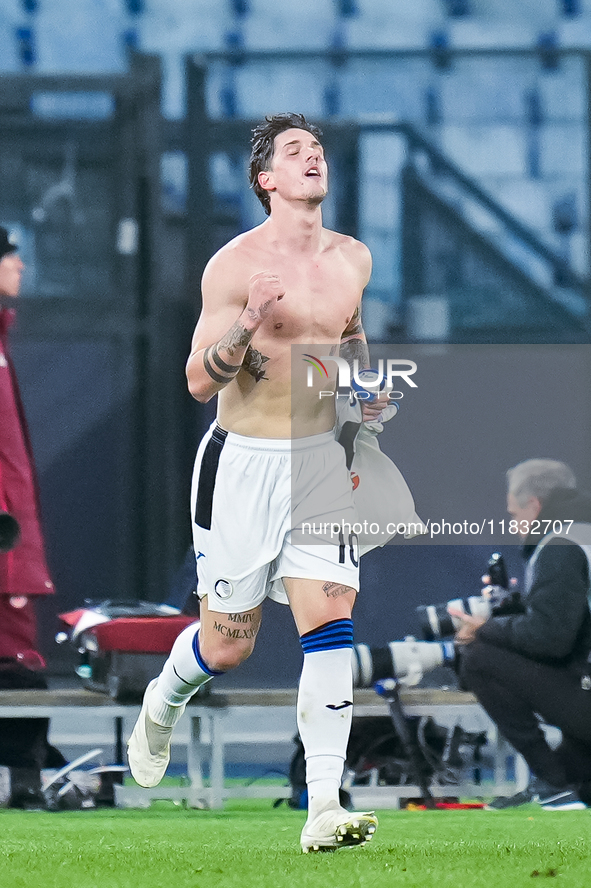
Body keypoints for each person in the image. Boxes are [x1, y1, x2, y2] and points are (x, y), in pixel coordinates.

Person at [128, 112, 387, 851]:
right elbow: (195, 381)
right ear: (266, 180)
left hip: (318, 464)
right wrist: (247, 322)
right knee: (230, 645)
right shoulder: (234, 265)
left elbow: (351, 337)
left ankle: (322, 807)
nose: (313, 158)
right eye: (294, 152)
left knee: (331, 621)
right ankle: (164, 695)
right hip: (241, 464)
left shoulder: (353, 259)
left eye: (317, 149)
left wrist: (362, 399)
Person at [452, 458, 591, 810]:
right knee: (580, 776)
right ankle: (561, 781)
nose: (513, 526)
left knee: (479, 658)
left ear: (535, 505)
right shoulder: (582, 533)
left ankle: (554, 783)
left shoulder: (560, 545)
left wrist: (487, 626)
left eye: (514, 515)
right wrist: (516, 611)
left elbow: (550, 639)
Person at [0, 226, 66, 803]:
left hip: (12, 538)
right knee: (18, 660)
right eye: (9, 255)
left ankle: (29, 769)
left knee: (18, 657)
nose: (19, 266)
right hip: (5, 543)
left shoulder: (2, 340)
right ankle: (25, 776)